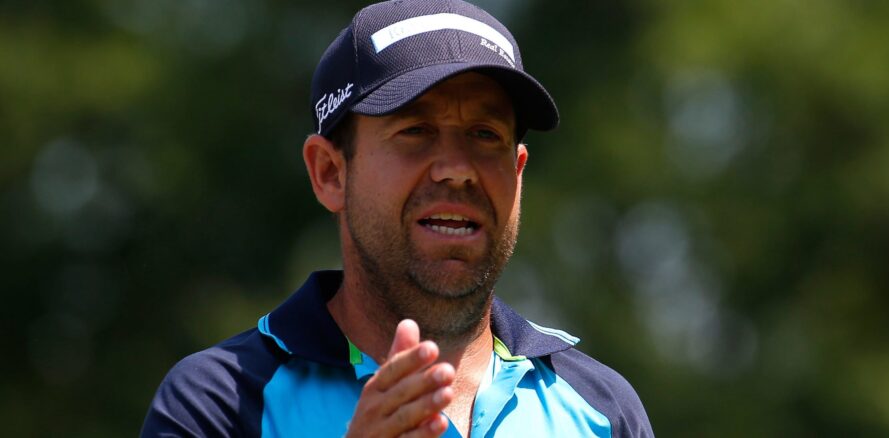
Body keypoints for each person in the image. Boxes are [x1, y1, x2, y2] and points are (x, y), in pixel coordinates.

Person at [141, 0, 653, 436]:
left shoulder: (603, 408)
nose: (457, 170)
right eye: (415, 130)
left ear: (517, 173)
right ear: (330, 173)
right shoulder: (219, 405)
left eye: (484, 134)